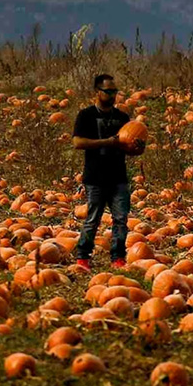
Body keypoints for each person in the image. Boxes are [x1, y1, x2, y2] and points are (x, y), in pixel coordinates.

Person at [72, 74, 143, 272]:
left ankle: (118, 257)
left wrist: (137, 148)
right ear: (97, 92)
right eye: (108, 91)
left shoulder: (122, 118)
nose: (112, 95)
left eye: (114, 91)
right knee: (93, 218)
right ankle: (82, 257)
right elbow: (78, 142)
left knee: (121, 219)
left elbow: (129, 147)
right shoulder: (86, 116)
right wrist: (108, 142)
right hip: (95, 177)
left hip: (118, 177)